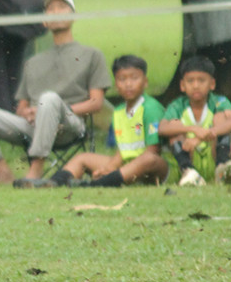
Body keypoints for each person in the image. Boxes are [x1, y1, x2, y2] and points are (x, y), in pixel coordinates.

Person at [0, 0, 110, 187]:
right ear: (43, 20)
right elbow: (21, 106)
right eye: (50, 9)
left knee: (49, 99)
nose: (56, 12)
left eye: (62, 7)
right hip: (33, 126)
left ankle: (35, 170)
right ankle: (2, 171)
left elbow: (96, 103)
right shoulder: (33, 62)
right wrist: (27, 113)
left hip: (69, 125)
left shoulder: (92, 55)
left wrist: (54, 108)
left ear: (74, 15)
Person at [30, 54, 168, 188]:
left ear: (145, 82)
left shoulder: (151, 109)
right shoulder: (119, 111)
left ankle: (96, 184)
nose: (128, 84)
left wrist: (113, 170)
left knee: (148, 159)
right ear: (116, 85)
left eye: (134, 78)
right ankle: (54, 183)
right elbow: (124, 150)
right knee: (83, 158)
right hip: (125, 166)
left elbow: (153, 151)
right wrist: (109, 168)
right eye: (122, 79)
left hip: (151, 169)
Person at [158, 55, 231, 186]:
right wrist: (192, 129)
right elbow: (162, 128)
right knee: (174, 124)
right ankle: (188, 171)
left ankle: (222, 166)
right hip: (189, 154)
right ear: (182, 85)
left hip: (213, 154)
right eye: (190, 81)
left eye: (201, 81)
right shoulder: (177, 105)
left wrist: (202, 136)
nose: (196, 86)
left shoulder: (219, 102)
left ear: (212, 84)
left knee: (221, 119)